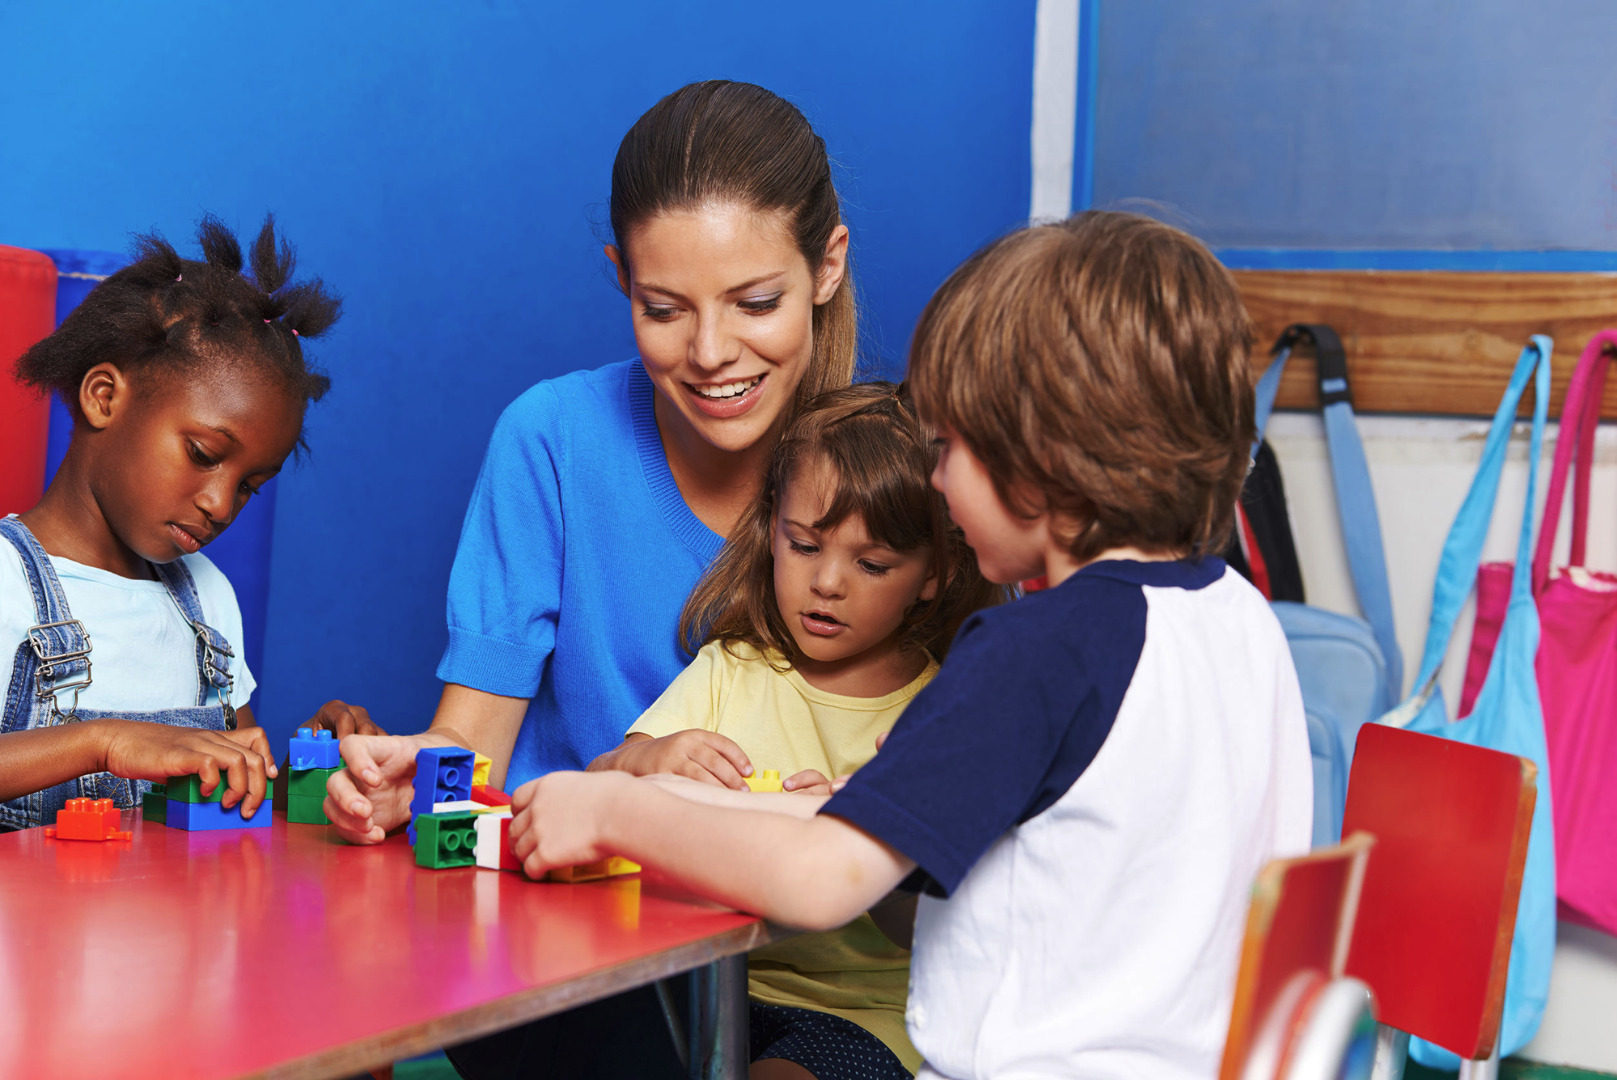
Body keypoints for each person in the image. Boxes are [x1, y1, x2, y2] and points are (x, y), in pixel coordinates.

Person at [506, 212, 1315, 1080]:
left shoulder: (1033, 650)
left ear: (1034, 455)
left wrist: (618, 813)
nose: (933, 482)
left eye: (947, 448)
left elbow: (822, 882)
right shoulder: (1239, 617)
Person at [591, 383, 999, 1079]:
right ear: (771, 531)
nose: (827, 583)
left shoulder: (943, 710)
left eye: (871, 565)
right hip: (706, 993)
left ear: (936, 574)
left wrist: (861, 830)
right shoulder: (733, 669)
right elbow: (596, 791)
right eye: (804, 546)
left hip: (863, 1016)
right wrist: (652, 757)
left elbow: (940, 928)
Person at [0, 216, 361, 827]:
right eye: (203, 455)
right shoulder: (6, 582)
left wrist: (317, 766)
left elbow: (237, 791)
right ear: (104, 397)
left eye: (249, 485)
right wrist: (104, 743)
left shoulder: (207, 603)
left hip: (185, 923)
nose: (221, 505)